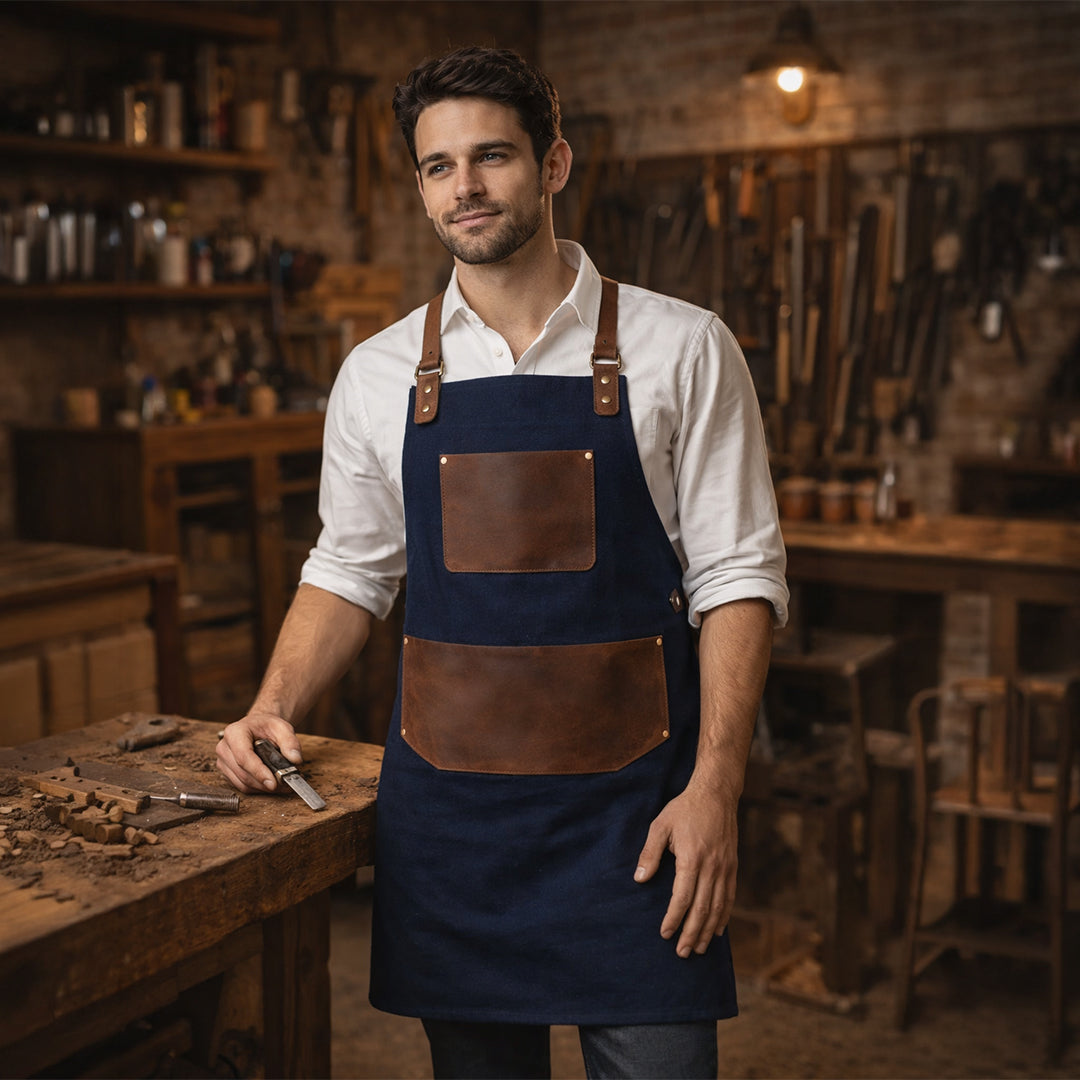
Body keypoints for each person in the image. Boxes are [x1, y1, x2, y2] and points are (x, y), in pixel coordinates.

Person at [217, 45, 788, 1080]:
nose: (466, 188)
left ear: (555, 163)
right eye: (438, 166)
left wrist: (716, 788)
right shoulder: (380, 372)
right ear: (420, 185)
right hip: (456, 834)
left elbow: (737, 579)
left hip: (641, 823)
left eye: (493, 157)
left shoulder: (684, 347)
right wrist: (276, 700)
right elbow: (351, 568)